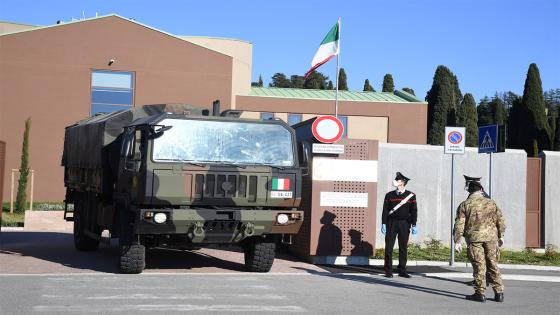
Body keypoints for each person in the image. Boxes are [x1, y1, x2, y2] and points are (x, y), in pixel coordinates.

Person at [454, 180, 506, 303]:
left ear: (469, 191)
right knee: (493, 264)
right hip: (491, 238)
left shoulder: (465, 204)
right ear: (481, 190)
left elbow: (459, 224)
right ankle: (499, 293)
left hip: (474, 239)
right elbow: (500, 220)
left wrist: (457, 240)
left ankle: (480, 293)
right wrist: (501, 235)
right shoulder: (491, 203)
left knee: (479, 266)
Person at [381, 172, 418, 278]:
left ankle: (402, 270)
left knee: (403, 247)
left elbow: (414, 211)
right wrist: (383, 223)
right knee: (389, 247)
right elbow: (384, 211)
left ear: (402, 182)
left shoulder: (411, 196)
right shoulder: (389, 195)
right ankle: (388, 270)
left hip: (404, 223)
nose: (395, 181)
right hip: (391, 223)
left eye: (397, 180)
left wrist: (414, 224)